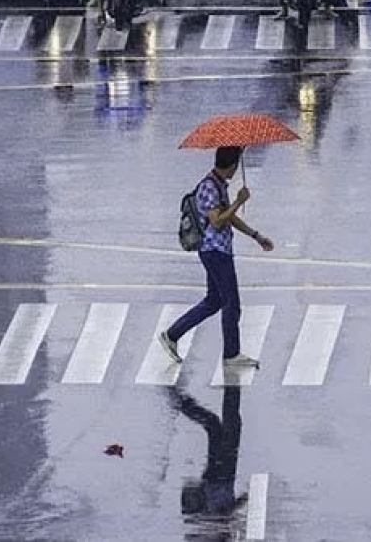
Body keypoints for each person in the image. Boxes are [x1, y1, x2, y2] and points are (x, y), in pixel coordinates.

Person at [160, 146, 273, 369]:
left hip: (219, 249)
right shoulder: (209, 187)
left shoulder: (219, 185)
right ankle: (231, 354)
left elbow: (228, 218)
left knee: (214, 301)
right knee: (232, 303)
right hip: (214, 251)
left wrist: (255, 235)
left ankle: (172, 334)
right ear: (230, 166)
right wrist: (239, 202)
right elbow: (218, 220)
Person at [170, 387, 245, 518]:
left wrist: (243, 501)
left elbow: (225, 512)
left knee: (223, 424)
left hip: (221, 477)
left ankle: (232, 385)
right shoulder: (216, 526)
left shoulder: (216, 526)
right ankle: (232, 386)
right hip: (218, 479)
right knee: (217, 425)